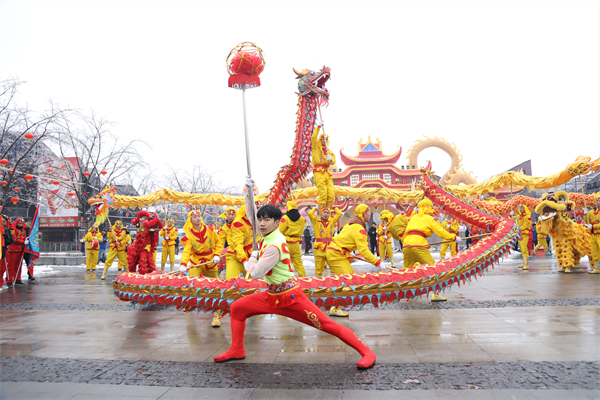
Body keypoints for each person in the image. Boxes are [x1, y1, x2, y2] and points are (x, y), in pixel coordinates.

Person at [214, 204, 376, 370]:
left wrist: (252, 259)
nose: (262, 223)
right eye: (260, 219)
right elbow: (253, 221)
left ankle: (367, 352)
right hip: (271, 295)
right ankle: (236, 349)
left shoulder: (274, 245)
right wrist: (250, 203)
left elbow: (255, 273)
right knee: (237, 308)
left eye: (267, 220)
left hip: (290, 298)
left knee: (327, 325)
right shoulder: (271, 234)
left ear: (277, 222)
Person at [326, 204, 387, 316]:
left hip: (336, 252)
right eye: (368, 213)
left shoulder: (351, 224)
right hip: (336, 254)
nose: (369, 215)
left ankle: (334, 305)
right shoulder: (359, 229)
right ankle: (334, 307)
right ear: (363, 214)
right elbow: (364, 250)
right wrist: (378, 262)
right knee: (348, 280)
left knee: (347, 279)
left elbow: (345, 240)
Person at [402, 199, 460, 301]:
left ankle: (398, 290)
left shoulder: (413, 217)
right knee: (433, 269)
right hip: (418, 245)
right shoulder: (429, 219)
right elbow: (441, 232)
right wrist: (454, 238)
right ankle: (436, 294)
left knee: (406, 270)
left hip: (407, 245)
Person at [179, 210, 222, 278]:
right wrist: (183, 264)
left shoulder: (210, 229)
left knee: (214, 284)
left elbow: (218, 242)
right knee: (192, 282)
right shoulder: (189, 235)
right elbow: (186, 251)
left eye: (199, 216)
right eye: (195, 217)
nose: (198, 218)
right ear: (190, 220)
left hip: (210, 261)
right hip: (196, 262)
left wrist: (217, 254)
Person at [308, 206, 343, 277]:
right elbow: (309, 213)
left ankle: (335, 281)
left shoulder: (332, 220)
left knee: (333, 265)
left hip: (330, 246)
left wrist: (333, 207)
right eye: (324, 212)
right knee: (319, 267)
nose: (326, 214)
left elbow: (339, 213)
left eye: (328, 213)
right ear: (320, 213)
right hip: (319, 247)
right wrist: (316, 208)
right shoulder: (315, 220)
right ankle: (319, 282)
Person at [311, 119, 336, 212]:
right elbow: (313, 137)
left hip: (327, 173)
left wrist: (330, 159)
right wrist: (318, 127)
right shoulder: (316, 148)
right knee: (323, 194)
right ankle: (320, 212)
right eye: (322, 139)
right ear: (320, 140)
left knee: (331, 195)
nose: (324, 141)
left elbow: (333, 161)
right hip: (319, 172)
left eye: (326, 139)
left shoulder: (329, 151)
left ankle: (327, 212)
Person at [278, 201, 306, 277]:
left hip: (286, 242)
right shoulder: (302, 219)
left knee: (286, 261)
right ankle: (302, 276)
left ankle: (287, 278)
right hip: (296, 243)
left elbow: (280, 231)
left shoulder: (285, 218)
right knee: (298, 262)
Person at [6, 218, 27, 287]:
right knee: (11, 266)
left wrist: (26, 240)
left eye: (22, 224)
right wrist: (23, 242)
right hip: (13, 250)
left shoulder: (23, 230)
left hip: (20, 250)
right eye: (19, 223)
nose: (21, 225)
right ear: (16, 223)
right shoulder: (12, 230)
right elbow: (14, 239)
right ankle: (9, 280)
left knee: (18, 266)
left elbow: (23, 237)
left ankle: (17, 279)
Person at [512, 205, 532, 271]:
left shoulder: (527, 217)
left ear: (525, 209)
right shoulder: (519, 216)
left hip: (524, 234)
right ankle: (524, 263)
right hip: (519, 234)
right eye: (520, 208)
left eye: (522, 208)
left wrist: (519, 228)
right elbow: (513, 218)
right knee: (521, 248)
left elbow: (526, 226)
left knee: (524, 248)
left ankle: (526, 264)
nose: (520, 209)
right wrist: (511, 214)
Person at [584, 195, 600, 273]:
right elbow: (587, 222)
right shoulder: (591, 212)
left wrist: (593, 226)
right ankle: (597, 268)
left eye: (599, 201)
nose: (598, 202)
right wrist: (585, 215)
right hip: (593, 234)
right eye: (597, 201)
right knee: (594, 251)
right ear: (594, 202)